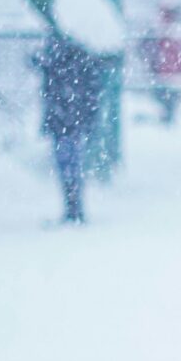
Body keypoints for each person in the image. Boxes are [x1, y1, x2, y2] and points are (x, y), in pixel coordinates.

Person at [33, 29, 107, 225]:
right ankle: (74, 207)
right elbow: (92, 91)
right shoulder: (81, 59)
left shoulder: (57, 61)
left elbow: (44, 72)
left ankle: (72, 208)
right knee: (72, 165)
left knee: (67, 164)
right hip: (72, 121)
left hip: (63, 121)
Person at [143, 3, 181, 125]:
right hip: (165, 70)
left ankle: (167, 118)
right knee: (167, 97)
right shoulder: (165, 29)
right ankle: (166, 118)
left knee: (168, 97)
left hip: (167, 70)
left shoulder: (168, 29)